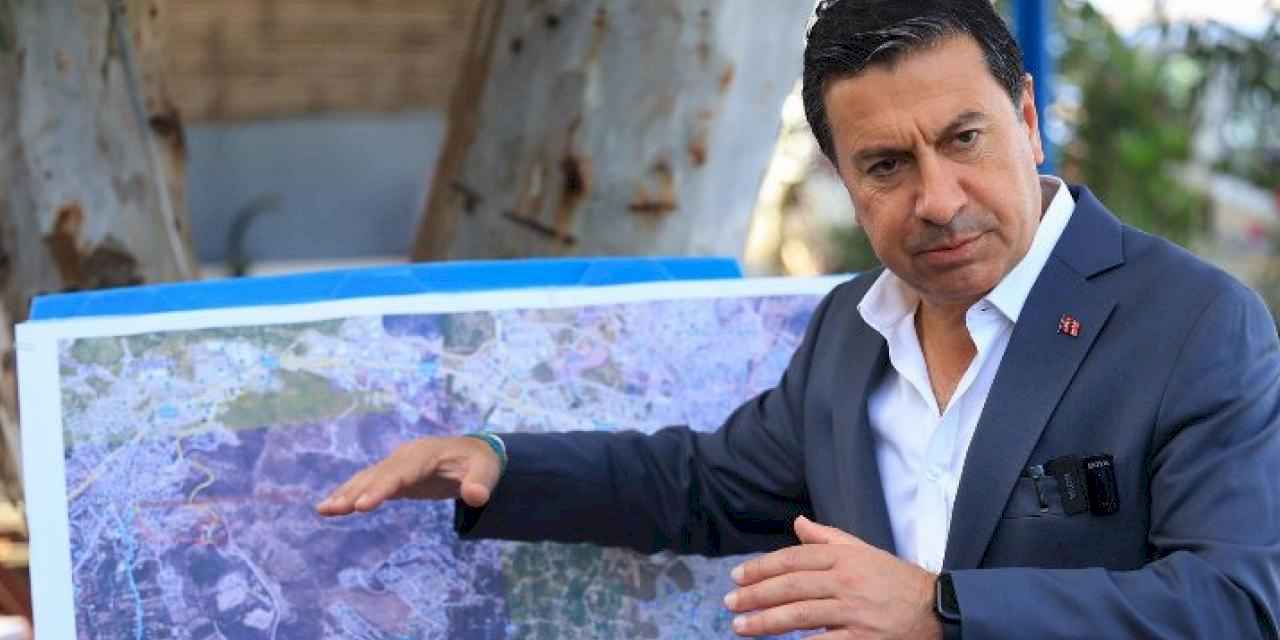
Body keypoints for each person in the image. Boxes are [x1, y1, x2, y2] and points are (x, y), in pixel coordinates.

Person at [318, 1, 1280, 637]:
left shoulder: (1196, 324)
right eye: (886, 166)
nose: (938, 200)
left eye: (964, 139)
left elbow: (1238, 603)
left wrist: (941, 611)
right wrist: (499, 463)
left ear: (1027, 119)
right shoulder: (850, 329)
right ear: (842, 178)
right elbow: (703, 487)